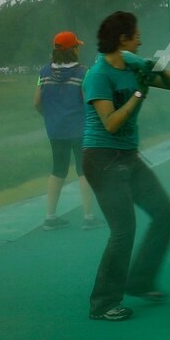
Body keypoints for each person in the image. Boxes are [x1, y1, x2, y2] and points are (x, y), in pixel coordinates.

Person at [82, 11, 170, 321]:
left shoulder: (132, 65)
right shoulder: (98, 75)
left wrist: (152, 66)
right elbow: (110, 123)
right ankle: (103, 303)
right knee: (123, 231)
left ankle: (140, 281)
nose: (141, 39)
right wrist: (139, 93)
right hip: (102, 160)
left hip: (128, 158)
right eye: (136, 35)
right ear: (122, 39)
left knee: (164, 213)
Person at [34, 31, 102, 231]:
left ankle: (50, 217)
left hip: (55, 130)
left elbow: (37, 102)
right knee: (84, 170)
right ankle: (88, 217)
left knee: (58, 169)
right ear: (73, 49)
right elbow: (88, 101)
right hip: (79, 129)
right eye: (77, 46)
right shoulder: (84, 72)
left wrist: (49, 117)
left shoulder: (43, 72)